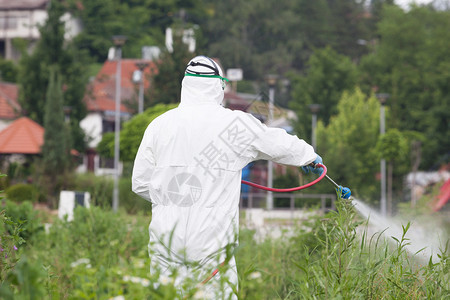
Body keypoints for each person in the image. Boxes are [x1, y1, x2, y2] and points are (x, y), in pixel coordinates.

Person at [132, 55, 323, 298]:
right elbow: (277, 142)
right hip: (210, 245)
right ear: (218, 86)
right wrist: (308, 156)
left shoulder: (159, 125)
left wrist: (171, 198)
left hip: (166, 242)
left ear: (185, 85)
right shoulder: (234, 125)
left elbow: (139, 182)